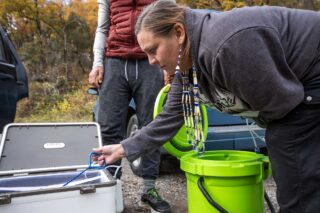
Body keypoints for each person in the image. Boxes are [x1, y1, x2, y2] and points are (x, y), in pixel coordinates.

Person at [93, 0, 320, 212]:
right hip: (298, 89)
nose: (151, 61)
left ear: (178, 33)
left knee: (289, 155)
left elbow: (283, 104)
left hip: (312, 73)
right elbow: (169, 117)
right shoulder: (187, 62)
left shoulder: (224, 46)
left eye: (153, 50)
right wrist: (123, 148)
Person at [88, 0, 171, 212]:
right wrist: (98, 63)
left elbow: (169, 22)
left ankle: (149, 189)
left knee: (151, 125)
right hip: (114, 61)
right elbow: (102, 28)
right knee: (108, 126)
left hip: (149, 59)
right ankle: (112, 188)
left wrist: (169, 62)